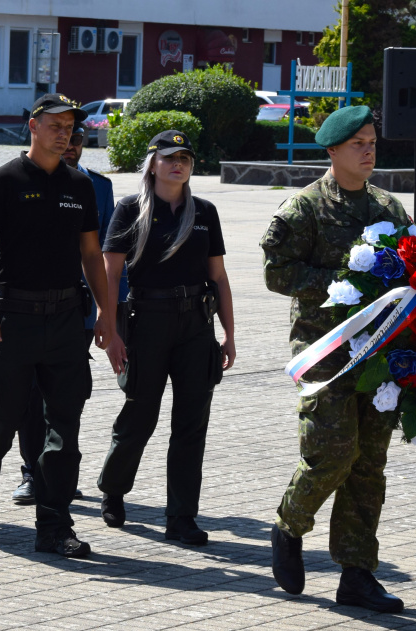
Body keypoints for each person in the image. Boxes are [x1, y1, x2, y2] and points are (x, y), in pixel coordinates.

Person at [260, 105, 410, 612]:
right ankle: (288, 525)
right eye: (358, 145)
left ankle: (356, 574)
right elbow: (276, 272)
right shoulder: (303, 210)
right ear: (333, 151)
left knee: (369, 464)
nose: (368, 152)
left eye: (372, 142)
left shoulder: (389, 209)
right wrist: (342, 288)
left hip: (379, 354)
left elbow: (412, 267)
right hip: (325, 353)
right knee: (333, 453)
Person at [0, 93, 111, 558]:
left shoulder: (79, 184)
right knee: (2, 421)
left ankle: (54, 525)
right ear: (33, 126)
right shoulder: (3, 180)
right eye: (56, 125)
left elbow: (91, 255)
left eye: (71, 126)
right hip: (14, 321)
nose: (65, 133)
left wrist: (108, 316)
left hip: (65, 322)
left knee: (64, 428)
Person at [97, 130, 236, 546]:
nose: (179, 164)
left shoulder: (205, 212)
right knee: (140, 414)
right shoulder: (130, 209)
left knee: (192, 424)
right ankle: (114, 488)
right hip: (147, 321)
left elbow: (219, 277)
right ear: (153, 163)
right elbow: (110, 275)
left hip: (195, 323)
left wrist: (229, 333)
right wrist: (110, 331)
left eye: (186, 158)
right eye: (170, 156)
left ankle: (181, 516)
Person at [8, 121, 128, 505]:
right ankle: (31, 471)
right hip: (26, 308)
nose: (70, 145)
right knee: (28, 397)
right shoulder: (15, 179)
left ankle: (59, 473)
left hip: (75, 311)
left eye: (77, 138)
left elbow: (111, 259)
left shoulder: (98, 187)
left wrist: (108, 314)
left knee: (66, 397)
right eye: (63, 135)